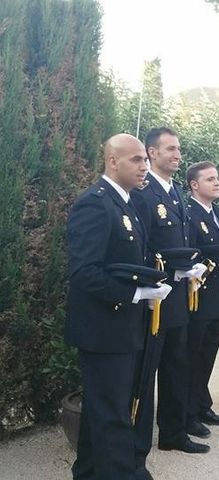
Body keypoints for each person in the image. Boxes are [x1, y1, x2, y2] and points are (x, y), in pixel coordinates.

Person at [65, 134, 172, 479]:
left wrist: (147, 287)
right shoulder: (95, 204)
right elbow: (84, 272)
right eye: (136, 160)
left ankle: (87, 472)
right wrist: (134, 295)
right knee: (112, 412)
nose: (144, 166)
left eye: (144, 159)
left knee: (104, 410)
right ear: (113, 161)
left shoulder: (126, 203)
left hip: (123, 327)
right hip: (102, 330)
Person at [131, 127, 209, 468]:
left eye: (178, 149)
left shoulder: (176, 192)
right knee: (146, 373)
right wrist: (164, 269)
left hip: (177, 297)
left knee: (177, 364)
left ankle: (173, 432)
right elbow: (140, 247)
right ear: (152, 153)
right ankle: (137, 447)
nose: (177, 154)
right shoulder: (143, 194)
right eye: (170, 149)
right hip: (155, 298)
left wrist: (189, 268)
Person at [185, 161, 219, 437]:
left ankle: (201, 403)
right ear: (195, 185)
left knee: (208, 353)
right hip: (198, 294)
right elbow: (191, 253)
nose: (217, 183)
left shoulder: (214, 211)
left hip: (216, 295)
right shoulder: (189, 213)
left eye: (217, 178)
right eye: (210, 179)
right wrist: (213, 264)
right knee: (193, 355)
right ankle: (188, 412)